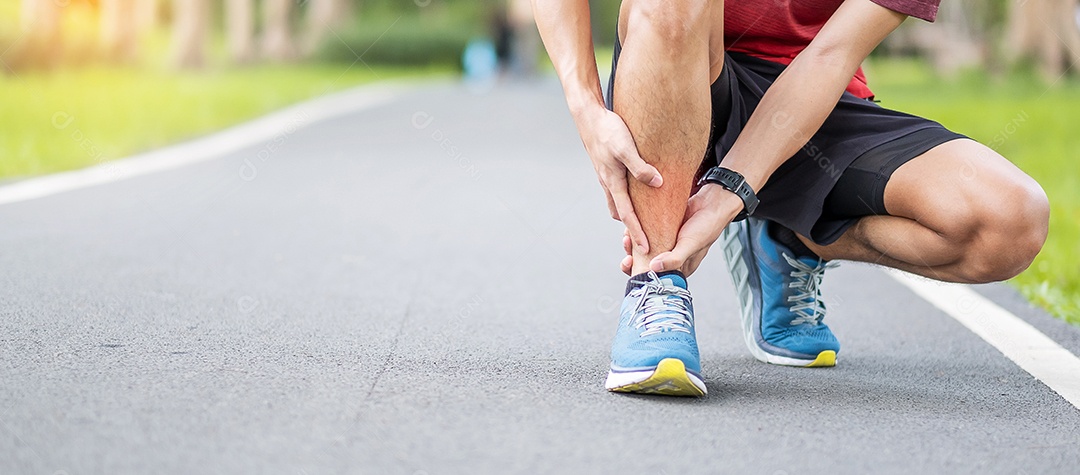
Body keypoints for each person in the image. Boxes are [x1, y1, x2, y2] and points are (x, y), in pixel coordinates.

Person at [531, 0, 1050, 397]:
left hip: (815, 95)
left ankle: (787, 232)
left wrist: (734, 189)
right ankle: (656, 283)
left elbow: (832, 53)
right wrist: (586, 109)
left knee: (1010, 222)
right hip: (681, 67)